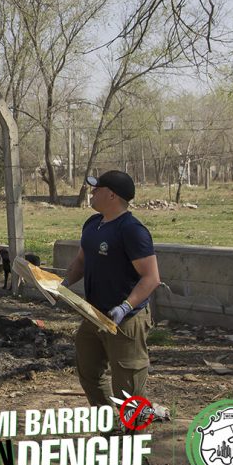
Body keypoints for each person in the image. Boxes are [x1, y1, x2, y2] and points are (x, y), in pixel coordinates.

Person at [61, 170, 159, 413]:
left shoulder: (132, 230)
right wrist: (62, 285)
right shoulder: (92, 225)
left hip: (125, 320)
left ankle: (134, 442)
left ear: (112, 195)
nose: (92, 193)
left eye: (97, 189)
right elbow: (81, 262)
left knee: (129, 388)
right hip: (93, 314)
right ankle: (111, 430)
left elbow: (151, 277)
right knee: (89, 373)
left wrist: (126, 306)